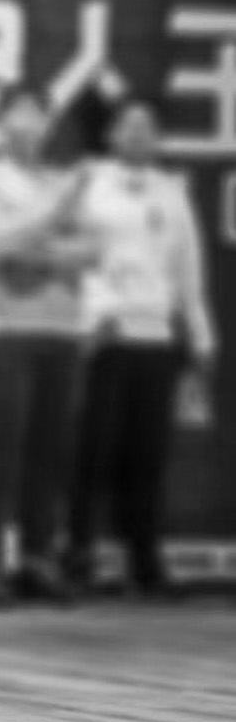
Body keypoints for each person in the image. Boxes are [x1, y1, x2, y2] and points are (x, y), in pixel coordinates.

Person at [66, 98, 218, 597]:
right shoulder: (88, 185)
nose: (137, 134)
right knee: (93, 452)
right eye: (128, 125)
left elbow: (189, 270)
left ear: (159, 138)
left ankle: (144, 560)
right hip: (105, 334)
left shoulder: (172, 194)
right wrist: (87, 319)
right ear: (111, 135)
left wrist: (201, 335)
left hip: (157, 337)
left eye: (147, 126)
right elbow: (70, 258)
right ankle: (79, 555)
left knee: (147, 455)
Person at [0, 86, 99, 604]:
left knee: (48, 451)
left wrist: (35, 253)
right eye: (17, 112)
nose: (29, 123)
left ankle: (37, 558)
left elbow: (92, 249)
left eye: (38, 113)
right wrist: (53, 216)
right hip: (4, 327)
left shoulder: (60, 180)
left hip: (61, 326)